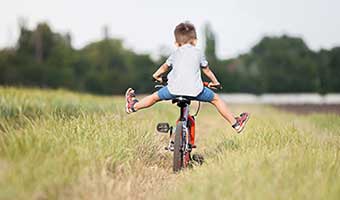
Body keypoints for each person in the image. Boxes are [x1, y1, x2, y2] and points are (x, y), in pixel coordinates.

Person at [125, 22, 249, 133]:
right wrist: (215, 82)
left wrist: (156, 76)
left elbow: (164, 67)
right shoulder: (198, 53)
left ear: (176, 42)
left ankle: (133, 107)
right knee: (216, 99)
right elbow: (207, 70)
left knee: (154, 97)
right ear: (195, 40)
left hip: (173, 90)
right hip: (196, 90)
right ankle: (235, 123)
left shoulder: (175, 53)